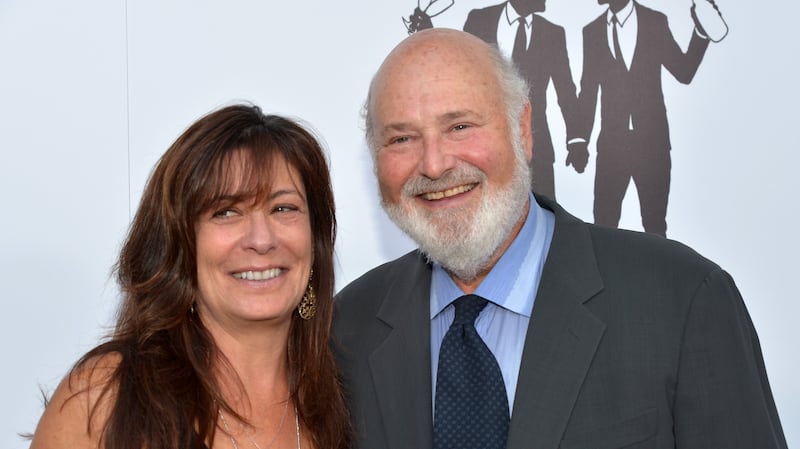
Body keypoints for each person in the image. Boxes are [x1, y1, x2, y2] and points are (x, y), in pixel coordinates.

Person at [332, 28, 787, 449]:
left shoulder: (683, 298)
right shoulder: (346, 328)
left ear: (523, 129)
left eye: (460, 126)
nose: (433, 164)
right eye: (402, 138)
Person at [30, 104, 351, 449]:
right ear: (180, 244)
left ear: (316, 239)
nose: (262, 240)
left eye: (283, 208)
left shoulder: (351, 397)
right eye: (226, 211)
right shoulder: (106, 399)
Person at [567, 0, 712, 237]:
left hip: (652, 146)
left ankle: (660, 275)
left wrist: (701, 31)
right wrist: (579, 140)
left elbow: (684, 71)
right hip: (611, 148)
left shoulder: (654, 21)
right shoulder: (591, 31)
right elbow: (589, 90)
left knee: (655, 225)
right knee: (603, 225)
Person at [464, 0, 579, 199]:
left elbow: (566, 89)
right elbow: (454, 70)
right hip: (478, 146)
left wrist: (576, 139)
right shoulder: (479, 19)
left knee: (546, 215)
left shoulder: (553, 33)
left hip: (538, 145)